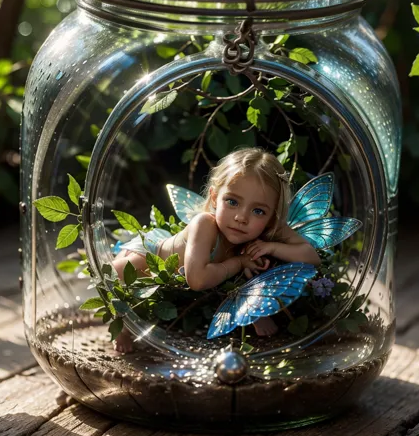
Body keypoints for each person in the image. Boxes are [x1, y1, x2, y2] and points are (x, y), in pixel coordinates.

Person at [112, 147, 321, 352]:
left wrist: (272, 247)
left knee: (252, 269)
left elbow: (311, 257)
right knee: (118, 273)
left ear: (272, 216)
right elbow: (198, 280)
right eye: (232, 202)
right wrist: (239, 262)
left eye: (258, 211)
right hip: (153, 256)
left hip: (194, 276)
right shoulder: (205, 224)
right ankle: (119, 323)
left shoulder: (265, 230)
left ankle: (255, 313)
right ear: (214, 198)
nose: (241, 217)